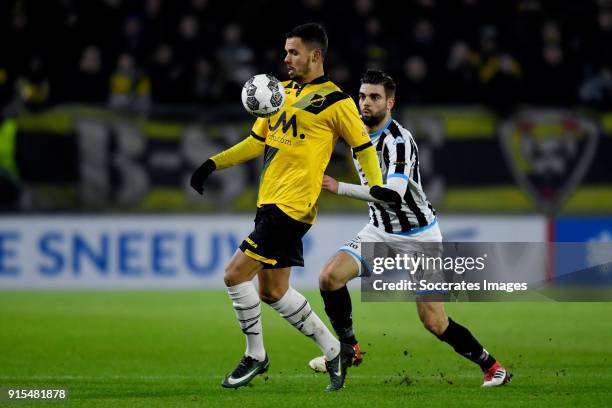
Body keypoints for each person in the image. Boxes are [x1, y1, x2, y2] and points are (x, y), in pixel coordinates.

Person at [190, 23, 392, 391]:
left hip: (294, 206)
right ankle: (334, 350)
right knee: (272, 291)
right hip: (268, 202)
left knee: (234, 275)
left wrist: (375, 188)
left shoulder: (337, 101)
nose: (286, 59)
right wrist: (212, 164)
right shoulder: (278, 93)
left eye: (293, 52)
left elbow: (361, 146)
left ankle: (256, 356)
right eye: (285, 52)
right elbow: (255, 143)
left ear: (315, 56)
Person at [308, 69, 512, 388]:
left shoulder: (399, 141)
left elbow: (394, 194)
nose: (366, 103)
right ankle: (349, 347)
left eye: (374, 97)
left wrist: (339, 187)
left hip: (419, 238)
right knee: (329, 277)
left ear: (390, 102)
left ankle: (492, 367)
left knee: (434, 322)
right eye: (362, 96)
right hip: (379, 231)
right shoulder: (357, 133)